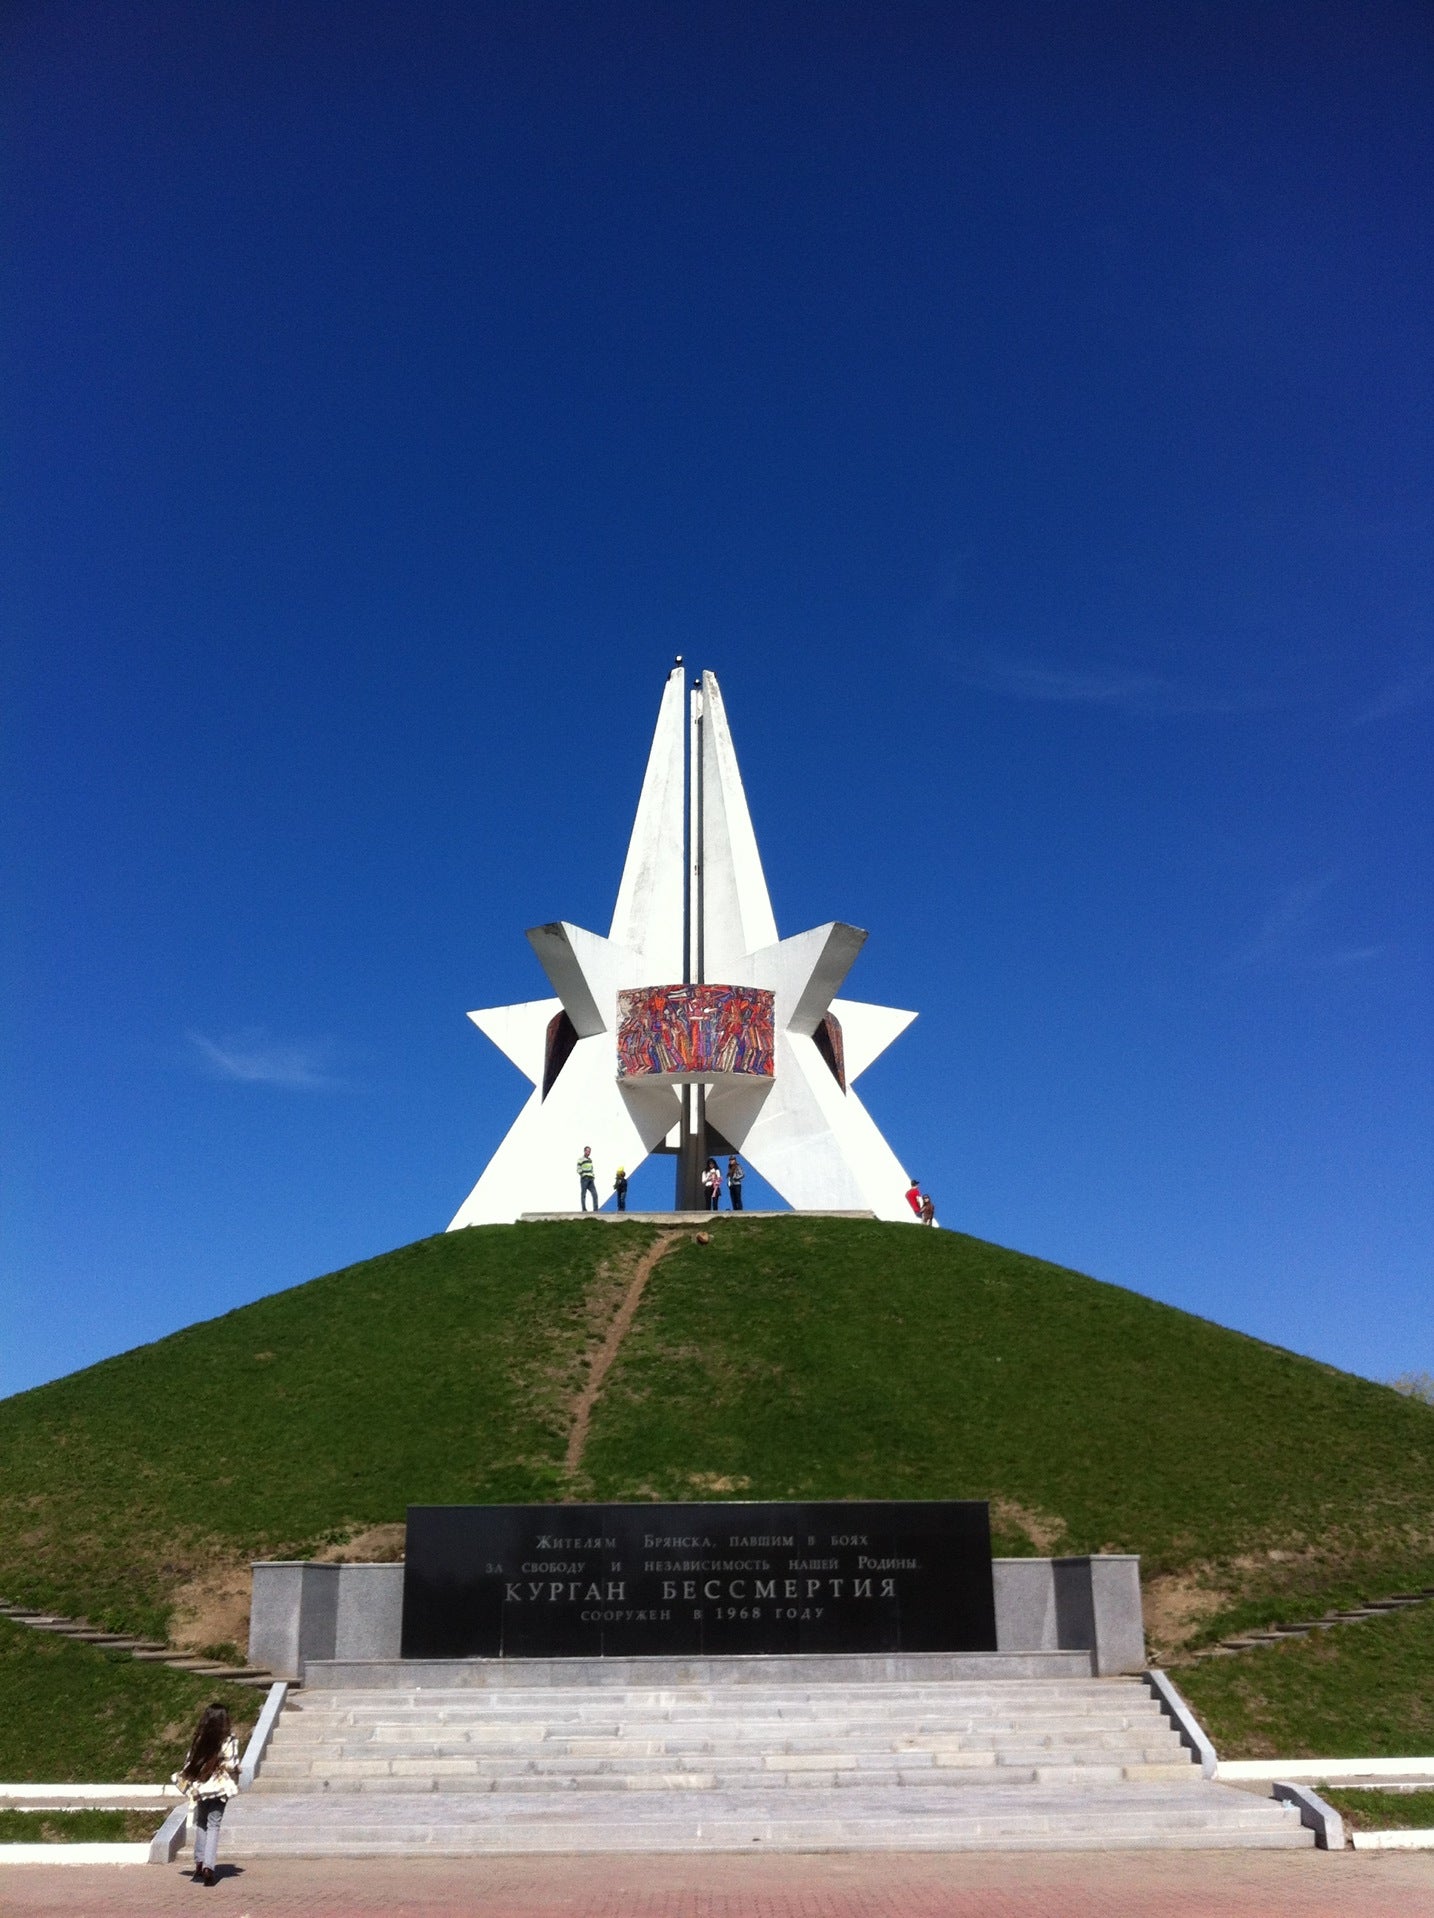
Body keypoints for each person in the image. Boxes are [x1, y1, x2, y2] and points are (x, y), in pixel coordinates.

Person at [172, 1702, 239, 1886]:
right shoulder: (229, 1739)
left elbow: (190, 1761)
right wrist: (228, 1766)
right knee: (213, 1825)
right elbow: (233, 1764)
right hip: (220, 1786)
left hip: (201, 1785)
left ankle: (199, 1864)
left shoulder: (200, 1738)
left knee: (201, 1822)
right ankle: (209, 1867)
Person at [577, 1146, 598, 1213]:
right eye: (588, 1151)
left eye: (590, 1151)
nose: (589, 1152)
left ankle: (596, 1209)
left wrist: (593, 1176)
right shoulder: (580, 1159)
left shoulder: (590, 1160)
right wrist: (583, 1174)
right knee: (583, 1194)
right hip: (584, 1179)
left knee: (595, 1194)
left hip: (591, 1179)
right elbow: (578, 1168)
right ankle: (584, 1209)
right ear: (585, 1151)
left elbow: (591, 1169)